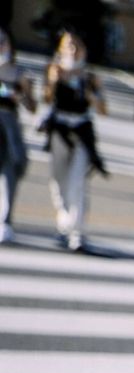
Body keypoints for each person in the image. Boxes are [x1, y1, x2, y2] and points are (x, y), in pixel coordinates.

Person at [41, 31, 106, 253]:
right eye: (68, 46)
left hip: (81, 131)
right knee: (58, 180)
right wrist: (53, 81)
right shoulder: (54, 71)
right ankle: (64, 220)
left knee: (77, 182)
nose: (73, 51)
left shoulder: (90, 78)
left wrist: (91, 95)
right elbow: (47, 99)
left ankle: (77, 232)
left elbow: (103, 109)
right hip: (60, 129)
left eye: (77, 46)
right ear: (60, 50)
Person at [0, 28, 36, 244]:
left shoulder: (19, 72)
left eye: (3, 41)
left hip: (9, 124)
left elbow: (32, 106)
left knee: (11, 170)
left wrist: (21, 95)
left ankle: (5, 220)